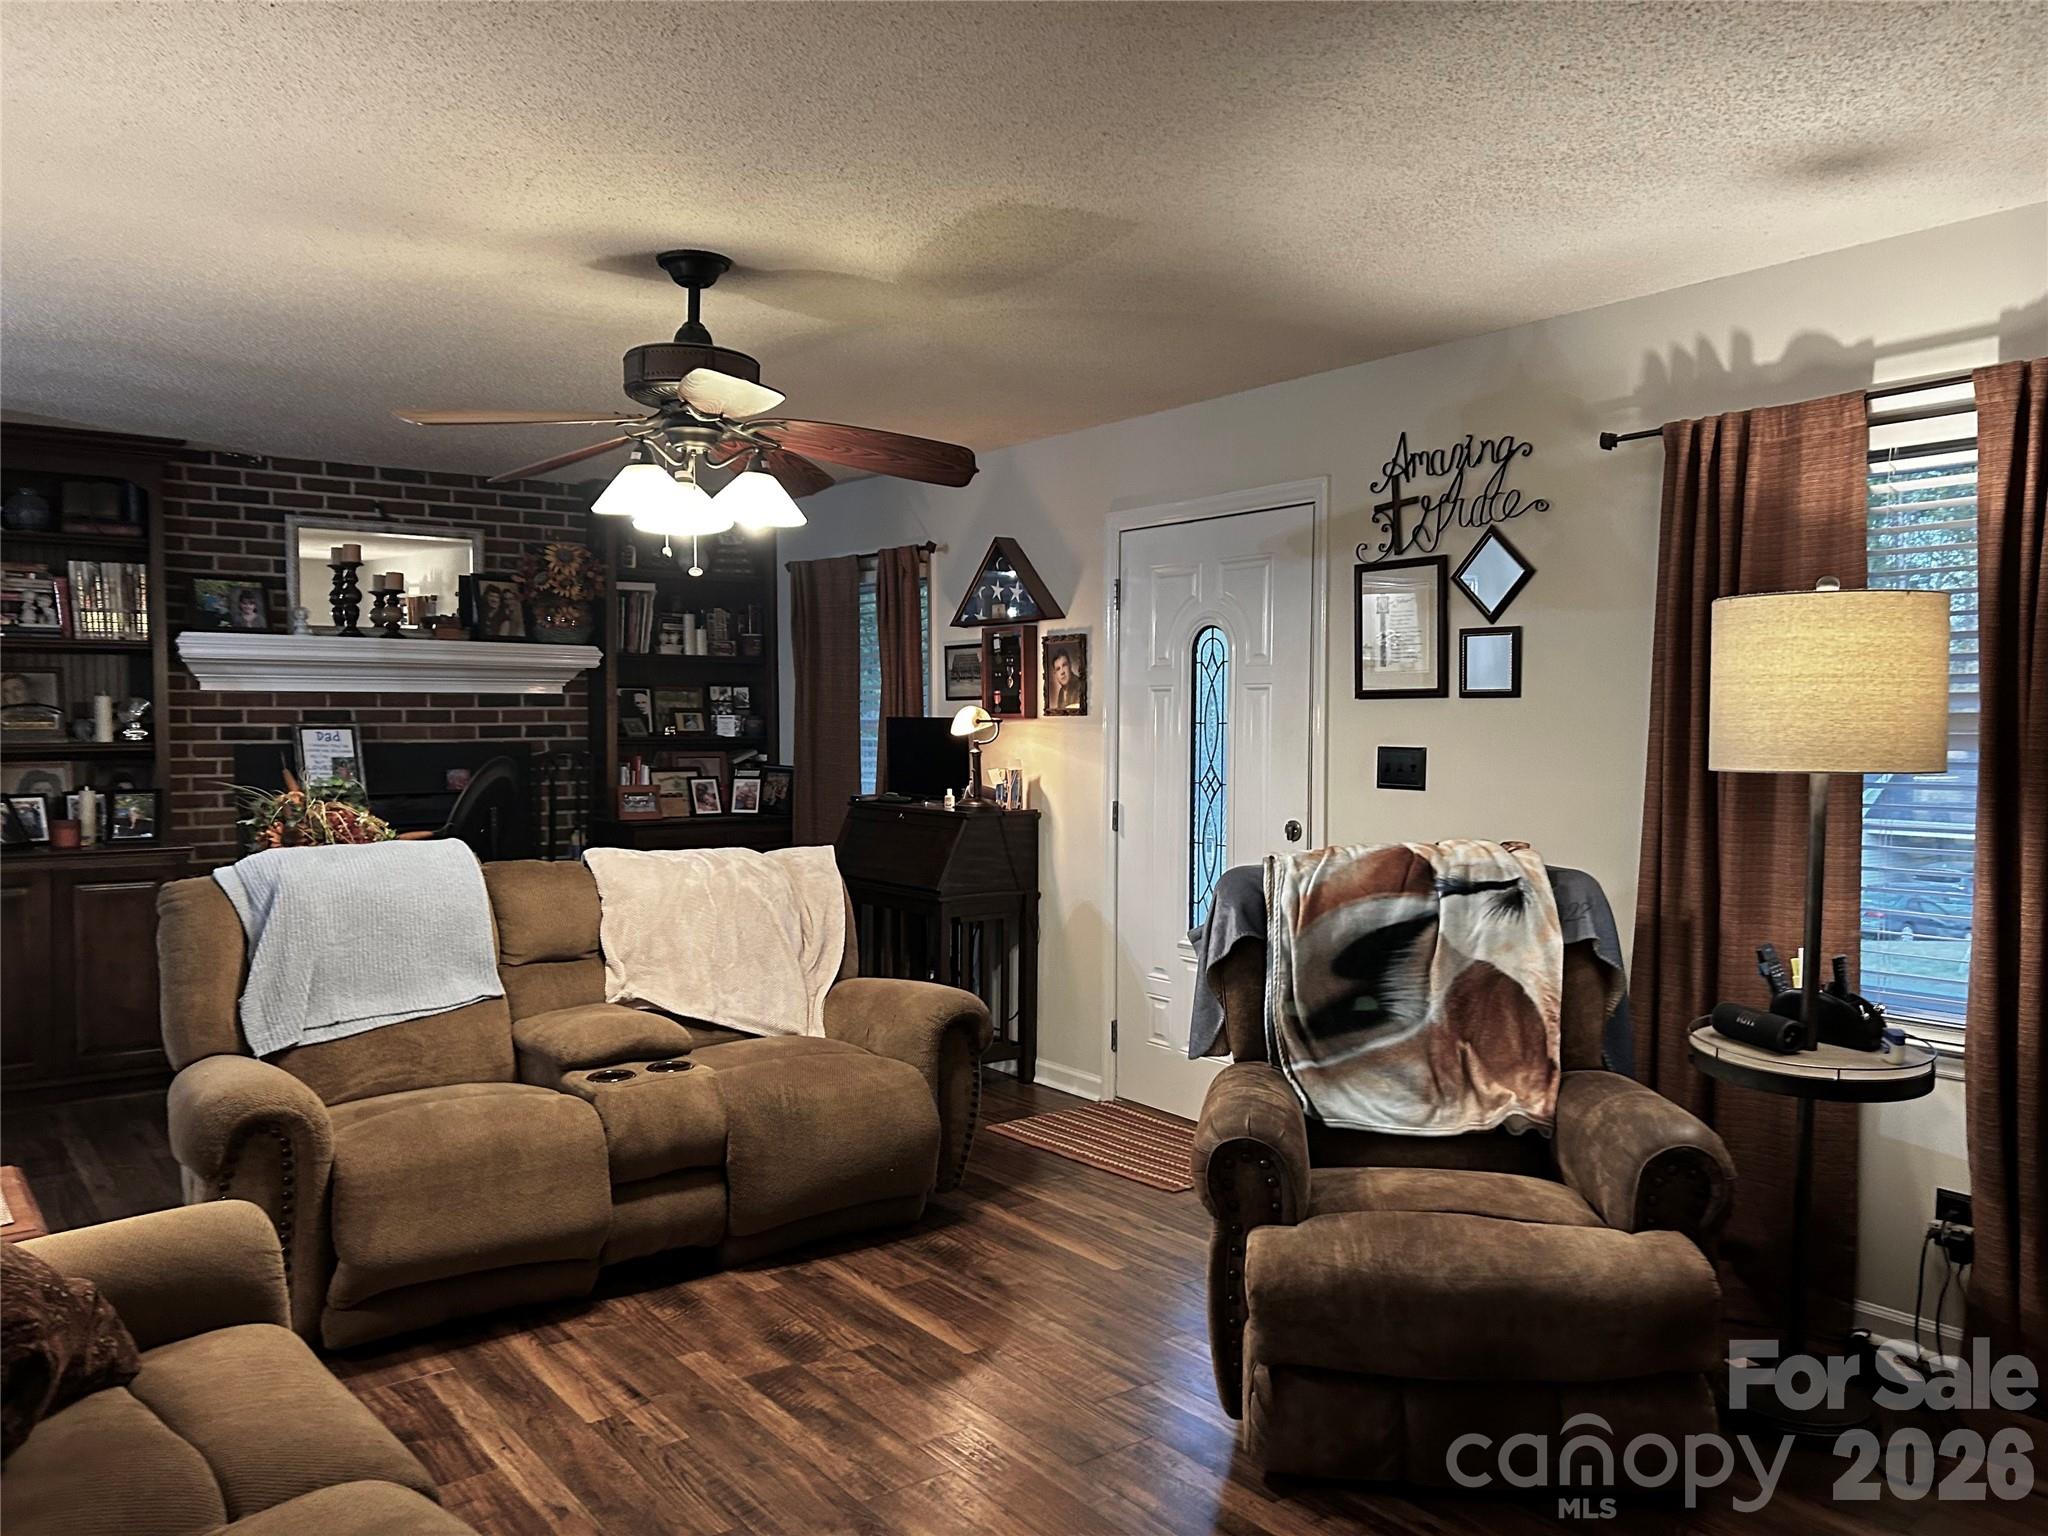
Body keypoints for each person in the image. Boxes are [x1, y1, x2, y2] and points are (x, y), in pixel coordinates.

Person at [1047, 648, 1085, 714]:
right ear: (1055, 674)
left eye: (1064, 665)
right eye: (1058, 669)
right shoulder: (1061, 692)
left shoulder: (1080, 686)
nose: (1062, 672)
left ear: (1070, 666)